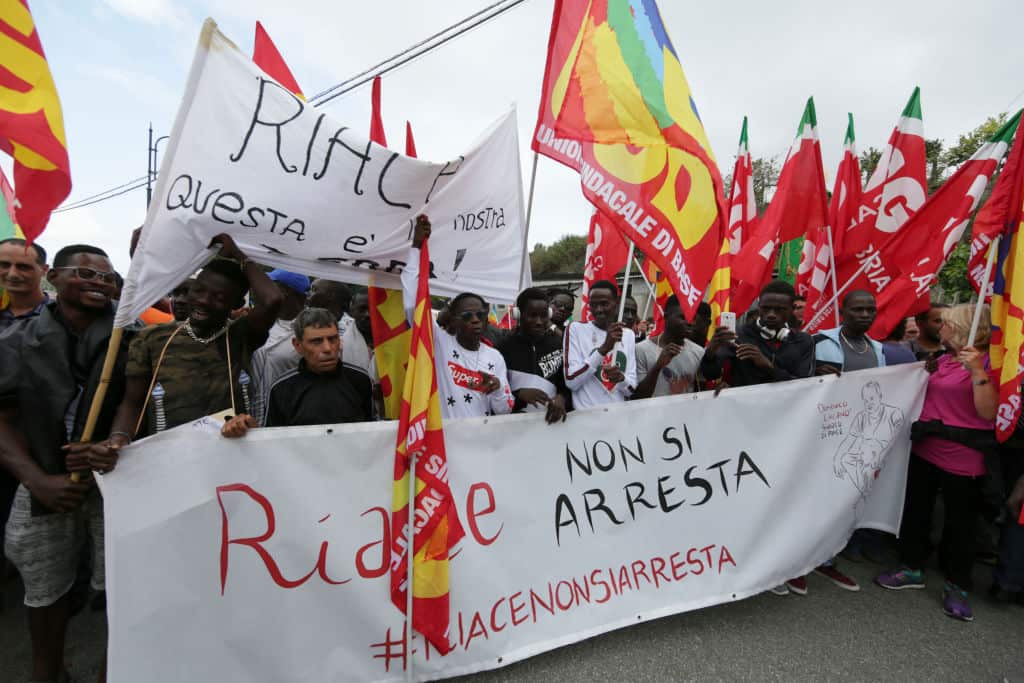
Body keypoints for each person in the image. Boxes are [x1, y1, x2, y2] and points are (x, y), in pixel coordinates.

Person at [0, 244, 133, 683]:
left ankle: (111, 672)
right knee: (45, 588)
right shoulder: (16, 339)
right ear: (53, 277)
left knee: (121, 587)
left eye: (107, 278)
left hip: (114, 482)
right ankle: (48, 671)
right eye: (86, 274)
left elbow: (137, 400)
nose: (99, 283)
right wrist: (38, 479)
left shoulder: (129, 334)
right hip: (45, 483)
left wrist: (111, 444)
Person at [875, 304, 999, 622]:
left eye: (945, 323)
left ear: (964, 328)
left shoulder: (990, 363)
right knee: (917, 513)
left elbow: (989, 414)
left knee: (961, 527)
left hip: (964, 457)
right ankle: (911, 567)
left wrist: (977, 372)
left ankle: (957, 586)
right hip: (925, 448)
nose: (940, 328)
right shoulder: (944, 360)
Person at [97, 235, 282, 442]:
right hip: (166, 454)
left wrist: (240, 256)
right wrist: (119, 438)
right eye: (198, 291)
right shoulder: (152, 338)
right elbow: (133, 403)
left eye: (218, 298)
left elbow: (272, 300)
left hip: (230, 452)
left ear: (236, 303)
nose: (203, 301)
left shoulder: (241, 335)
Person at [404, 216, 513, 419]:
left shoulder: (495, 357)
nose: (475, 320)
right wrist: (416, 248)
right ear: (453, 319)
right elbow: (413, 305)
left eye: (480, 314)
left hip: (480, 443)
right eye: (466, 315)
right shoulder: (439, 342)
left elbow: (505, 409)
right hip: (444, 442)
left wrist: (497, 389)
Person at [221, 308, 372, 435]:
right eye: (317, 341)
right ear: (297, 345)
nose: (327, 349)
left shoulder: (360, 380)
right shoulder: (281, 389)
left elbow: (373, 431)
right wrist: (249, 430)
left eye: (332, 339)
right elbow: (271, 441)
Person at [700, 280, 814, 388]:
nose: (771, 314)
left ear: (792, 309)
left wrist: (768, 366)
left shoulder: (804, 341)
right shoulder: (738, 335)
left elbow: (804, 385)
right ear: (759, 307)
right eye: (766, 308)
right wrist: (711, 352)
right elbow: (710, 375)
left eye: (779, 309)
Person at [497, 287, 569, 424]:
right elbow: (496, 393)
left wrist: (562, 398)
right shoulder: (503, 348)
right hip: (514, 426)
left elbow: (566, 384)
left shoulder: (559, 344)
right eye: (532, 315)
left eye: (543, 316)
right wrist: (518, 395)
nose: (539, 321)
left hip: (551, 425)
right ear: (518, 314)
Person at [564, 279, 637, 408]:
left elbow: (631, 389)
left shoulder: (628, 335)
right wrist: (604, 349)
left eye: (604, 304)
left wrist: (621, 378)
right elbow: (571, 381)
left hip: (618, 418)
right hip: (587, 419)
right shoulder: (576, 329)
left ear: (616, 304)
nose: (598, 310)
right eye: (593, 305)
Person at [250, 269, 311, 425]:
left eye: (269, 285)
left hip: (294, 418)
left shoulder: (315, 329)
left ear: (284, 291)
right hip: (257, 414)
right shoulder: (260, 322)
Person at [633, 295, 703, 399]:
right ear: (666, 317)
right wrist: (657, 367)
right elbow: (638, 397)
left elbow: (701, 394)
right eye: (682, 317)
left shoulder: (699, 352)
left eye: (692, 318)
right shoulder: (641, 350)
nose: (689, 323)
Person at [813, 290, 886, 375]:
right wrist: (813, 373)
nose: (865, 315)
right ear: (842, 313)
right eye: (858, 310)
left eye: (871, 310)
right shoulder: (815, 342)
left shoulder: (880, 350)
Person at [0, 237, 49, 329]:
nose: (12, 274)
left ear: (44, 270)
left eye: (23, 267)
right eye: (4, 265)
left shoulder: (63, 316)